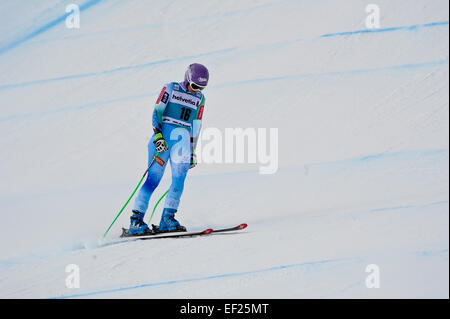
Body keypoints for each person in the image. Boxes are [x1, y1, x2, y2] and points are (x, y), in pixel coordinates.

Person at [128, 63, 209, 235]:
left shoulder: (200, 99)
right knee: (153, 180)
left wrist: (193, 150)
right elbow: (157, 111)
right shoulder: (171, 88)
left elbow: (196, 125)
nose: (196, 90)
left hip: (183, 142)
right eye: (194, 86)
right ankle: (135, 221)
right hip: (163, 140)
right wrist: (157, 135)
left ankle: (167, 218)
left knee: (179, 181)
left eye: (201, 87)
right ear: (187, 79)